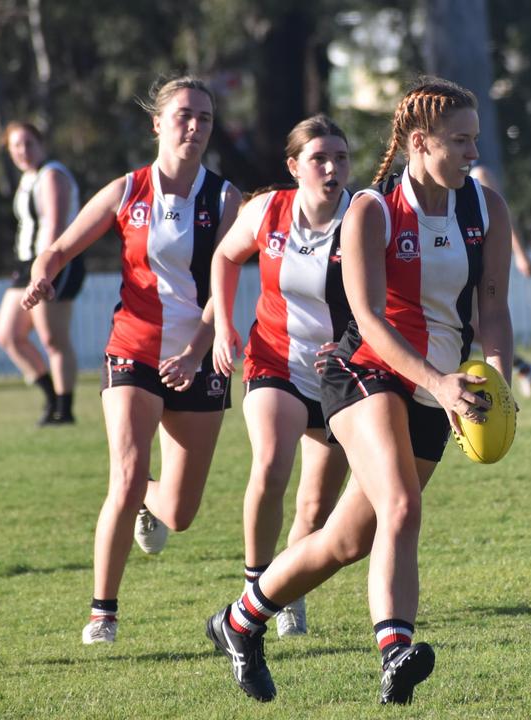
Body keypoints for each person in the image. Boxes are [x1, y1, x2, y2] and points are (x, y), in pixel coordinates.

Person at [205, 77, 514, 705]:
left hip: (439, 387)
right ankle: (395, 651)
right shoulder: (372, 209)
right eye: (460, 141)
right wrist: (440, 383)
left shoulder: (486, 209)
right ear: (419, 143)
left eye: (475, 140)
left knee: (348, 539)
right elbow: (368, 316)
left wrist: (495, 380)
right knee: (401, 505)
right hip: (363, 370)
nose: (472, 153)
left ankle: (238, 621)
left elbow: (493, 306)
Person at [21, 76, 242, 644]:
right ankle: (103, 613)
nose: (195, 127)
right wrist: (42, 275)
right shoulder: (127, 191)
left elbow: (229, 283)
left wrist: (197, 351)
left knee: (182, 512)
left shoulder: (223, 198)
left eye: (205, 118)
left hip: (199, 356)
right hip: (133, 350)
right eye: (184, 116)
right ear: (158, 123)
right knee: (122, 478)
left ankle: (149, 493)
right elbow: (60, 246)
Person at [210, 114, 352, 638]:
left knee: (316, 506)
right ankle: (255, 587)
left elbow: (387, 298)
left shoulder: (364, 217)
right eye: (320, 158)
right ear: (294, 167)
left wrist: (353, 345)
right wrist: (223, 327)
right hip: (276, 360)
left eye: (340, 157)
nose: (332, 168)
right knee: (271, 467)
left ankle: (286, 589)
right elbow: (225, 257)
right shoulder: (268, 209)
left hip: (343, 374)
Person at [0, 121, 85, 425]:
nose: (23, 151)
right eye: (15, 146)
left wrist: (44, 269)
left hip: (56, 262)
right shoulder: (27, 179)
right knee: (8, 335)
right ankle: (51, 398)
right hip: (26, 264)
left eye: (28, 143)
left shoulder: (52, 175)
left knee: (53, 339)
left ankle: (65, 409)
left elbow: (55, 225)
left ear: (41, 143)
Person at [468, 164, 531, 398]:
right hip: (462, 265)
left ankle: (518, 373)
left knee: (471, 326)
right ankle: (526, 369)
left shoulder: (479, 176)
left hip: (481, 265)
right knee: (467, 327)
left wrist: (521, 254)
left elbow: (503, 217)